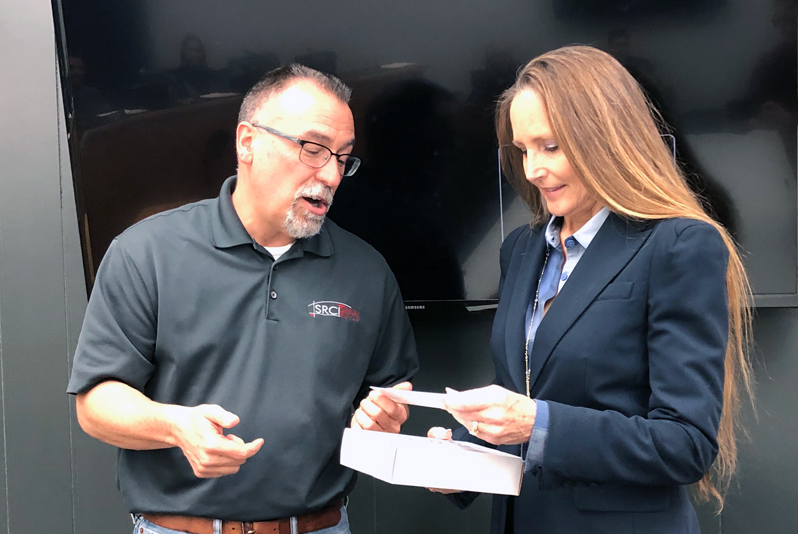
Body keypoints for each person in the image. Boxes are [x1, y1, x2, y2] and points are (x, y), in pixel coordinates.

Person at [67, 64, 419, 534]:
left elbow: (386, 400)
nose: (332, 174)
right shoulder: (146, 253)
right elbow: (95, 403)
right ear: (247, 142)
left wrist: (381, 421)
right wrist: (177, 427)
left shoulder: (366, 272)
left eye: (343, 157)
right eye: (313, 149)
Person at [427, 45, 753, 534]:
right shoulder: (520, 248)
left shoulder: (678, 245)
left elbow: (685, 445)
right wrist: (461, 456)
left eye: (551, 146)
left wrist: (534, 422)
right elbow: (527, 403)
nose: (533, 169)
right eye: (522, 150)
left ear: (607, 137)